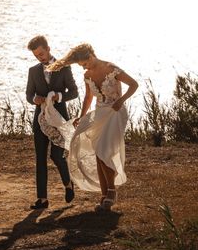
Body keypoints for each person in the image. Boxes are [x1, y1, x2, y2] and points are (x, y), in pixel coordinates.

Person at [47, 44, 138, 212]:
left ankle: (112, 191)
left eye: (84, 64)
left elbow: (134, 84)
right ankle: (104, 194)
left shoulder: (112, 69)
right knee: (98, 153)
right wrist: (81, 117)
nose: (84, 67)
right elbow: (88, 97)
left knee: (104, 151)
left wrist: (121, 100)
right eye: (81, 66)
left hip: (116, 112)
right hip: (100, 114)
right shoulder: (87, 75)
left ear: (90, 56)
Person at [25, 35, 78, 210]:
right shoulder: (33, 71)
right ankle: (42, 199)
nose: (40, 57)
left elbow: (74, 92)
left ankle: (68, 183)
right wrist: (35, 99)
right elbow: (28, 95)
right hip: (40, 120)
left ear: (48, 48)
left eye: (41, 53)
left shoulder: (64, 67)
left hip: (59, 119)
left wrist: (59, 96)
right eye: (36, 56)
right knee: (40, 158)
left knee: (56, 156)